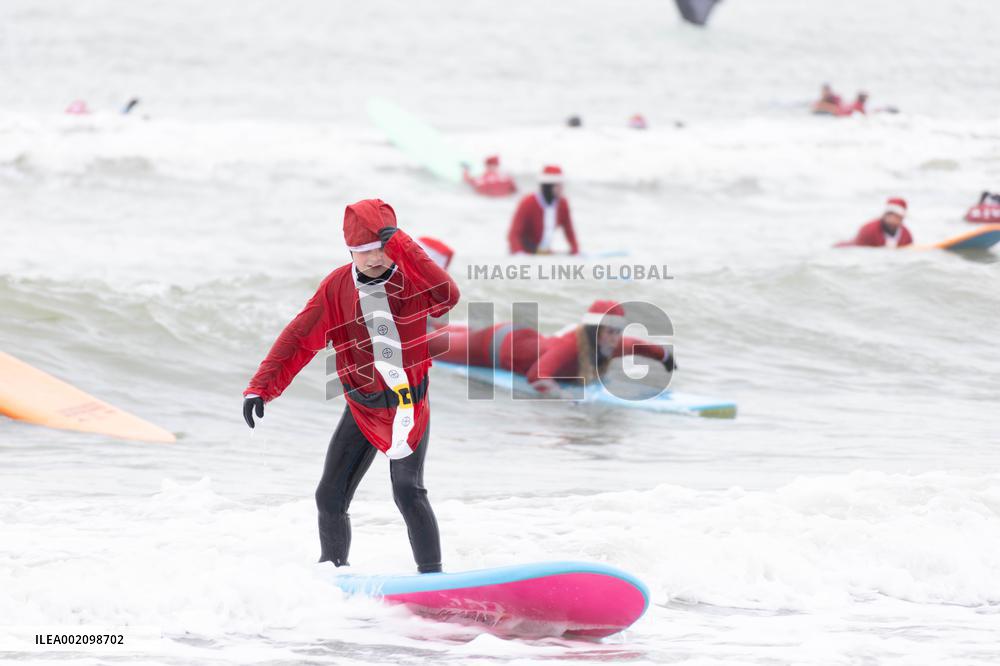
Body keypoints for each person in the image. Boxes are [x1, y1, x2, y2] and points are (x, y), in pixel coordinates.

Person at [242, 199, 460, 573]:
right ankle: (334, 575)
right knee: (329, 496)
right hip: (361, 406)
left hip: (408, 405)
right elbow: (299, 337)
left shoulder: (412, 278)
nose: (374, 258)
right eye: (363, 251)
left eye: (381, 248)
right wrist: (260, 388)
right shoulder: (336, 287)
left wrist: (404, 245)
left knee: (407, 490)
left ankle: (432, 580)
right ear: (349, 252)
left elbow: (447, 298)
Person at [429, 300, 674, 394]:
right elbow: (538, 376)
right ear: (594, 331)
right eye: (611, 332)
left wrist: (666, 358)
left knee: (439, 331)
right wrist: (565, 398)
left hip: (519, 336)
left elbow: (640, 345)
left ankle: (434, 321)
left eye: (618, 331)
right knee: (424, 344)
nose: (615, 338)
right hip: (495, 347)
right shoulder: (572, 346)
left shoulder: (609, 344)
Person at [508, 165, 579, 255]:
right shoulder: (528, 202)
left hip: (544, 253)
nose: (562, 188)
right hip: (525, 252)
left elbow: (569, 231)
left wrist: (576, 251)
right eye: (559, 185)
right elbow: (514, 234)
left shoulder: (563, 203)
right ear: (549, 186)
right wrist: (519, 254)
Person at [849, 197, 913, 247]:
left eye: (896, 217)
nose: (892, 219)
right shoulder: (869, 230)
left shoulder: (906, 234)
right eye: (889, 214)